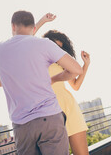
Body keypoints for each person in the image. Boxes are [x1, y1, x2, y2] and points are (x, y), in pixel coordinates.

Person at [0, 10, 83, 155]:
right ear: (33, 27)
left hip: (22, 126)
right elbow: (77, 69)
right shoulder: (44, 44)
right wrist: (54, 79)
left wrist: (13, 80)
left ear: (13, 26)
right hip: (50, 119)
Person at [34, 13, 90, 155]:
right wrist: (42, 21)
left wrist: (86, 65)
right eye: (54, 46)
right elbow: (26, 38)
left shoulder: (61, 63)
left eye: (60, 48)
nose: (56, 50)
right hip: (49, 112)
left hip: (69, 108)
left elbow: (76, 86)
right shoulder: (37, 59)